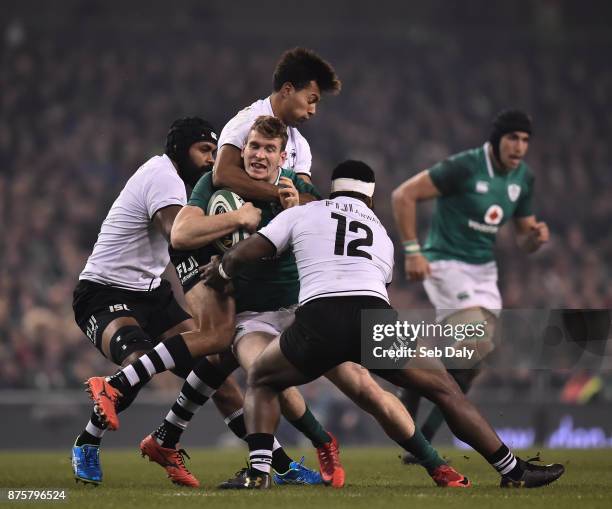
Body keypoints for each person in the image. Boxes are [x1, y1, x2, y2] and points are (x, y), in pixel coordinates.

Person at [201, 160, 564, 490]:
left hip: (320, 318)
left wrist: (221, 271)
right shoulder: (381, 234)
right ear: (370, 201)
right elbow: (377, 285)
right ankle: (512, 470)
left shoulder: (307, 212)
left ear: (332, 191)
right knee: (445, 389)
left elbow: (252, 250)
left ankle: (259, 473)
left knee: (263, 379)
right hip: (374, 317)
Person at [71, 117, 247, 485]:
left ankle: (272, 458)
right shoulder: (163, 174)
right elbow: (177, 236)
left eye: (215, 153)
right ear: (180, 151)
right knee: (137, 361)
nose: (210, 160)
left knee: (216, 371)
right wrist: (238, 224)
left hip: (152, 294)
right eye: (204, 151)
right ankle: (87, 442)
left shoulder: (185, 187)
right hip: (103, 293)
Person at [391, 110, 549, 454]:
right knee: (474, 340)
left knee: (473, 360)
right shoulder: (464, 166)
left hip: (483, 271)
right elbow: (403, 195)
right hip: (445, 262)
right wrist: (413, 250)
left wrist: (534, 238)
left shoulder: (524, 178)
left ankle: (419, 403)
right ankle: (417, 400)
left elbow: (523, 239)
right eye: (513, 138)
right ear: (497, 140)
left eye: (525, 140)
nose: (519, 146)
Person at [213, 47, 341, 200]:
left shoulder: (300, 144)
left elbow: (309, 198)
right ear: (287, 90)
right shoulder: (246, 122)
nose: (313, 110)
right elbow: (223, 174)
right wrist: (282, 194)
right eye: (310, 100)